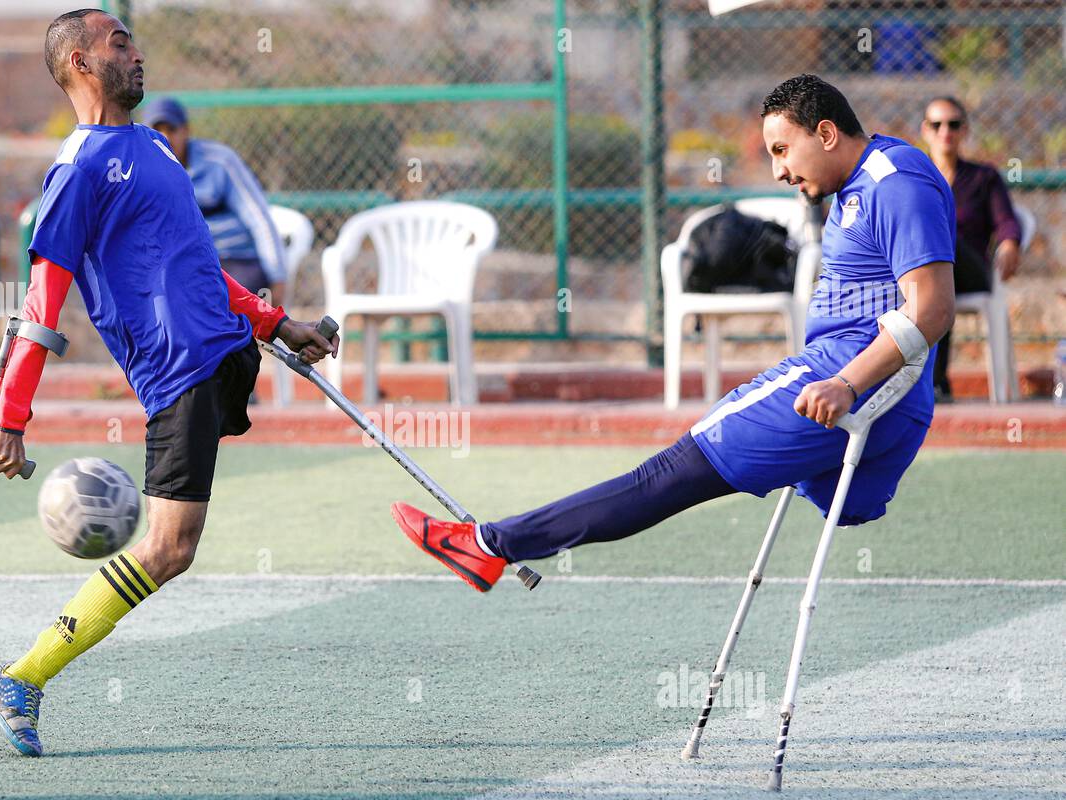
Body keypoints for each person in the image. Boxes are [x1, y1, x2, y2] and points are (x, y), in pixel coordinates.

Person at [392, 74, 955, 593]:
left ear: (826, 133)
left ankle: (488, 544)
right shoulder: (861, 183)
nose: (778, 170)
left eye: (783, 150)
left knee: (667, 475)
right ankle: (493, 544)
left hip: (840, 382)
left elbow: (932, 310)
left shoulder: (893, 181)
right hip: (855, 385)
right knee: (841, 503)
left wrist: (848, 385)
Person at [0, 8, 337, 757]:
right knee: (169, 547)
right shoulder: (76, 171)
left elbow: (200, 263)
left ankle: (23, 676)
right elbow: (42, 303)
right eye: (119, 43)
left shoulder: (154, 150)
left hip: (224, 348)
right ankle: (21, 676)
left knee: (174, 546)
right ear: (79, 63)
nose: (136, 55)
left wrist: (275, 323)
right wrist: (10, 413)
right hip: (178, 369)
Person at [919, 95, 1023, 401]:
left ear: (965, 130)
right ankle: (931, 385)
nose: (945, 131)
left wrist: (1009, 243)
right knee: (935, 279)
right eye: (937, 124)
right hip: (931, 275)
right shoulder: (917, 179)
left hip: (973, 270)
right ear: (925, 130)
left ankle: (934, 383)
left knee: (941, 239)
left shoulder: (983, 177)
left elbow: (1006, 221)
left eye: (953, 124)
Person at [143, 96, 287, 308]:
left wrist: (278, 276)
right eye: (157, 131)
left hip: (236, 259)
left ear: (186, 130)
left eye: (171, 129)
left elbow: (259, 219)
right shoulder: (144, 172)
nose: (166, 137)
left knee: (229, 310)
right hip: (188, 264)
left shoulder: (220, 161)